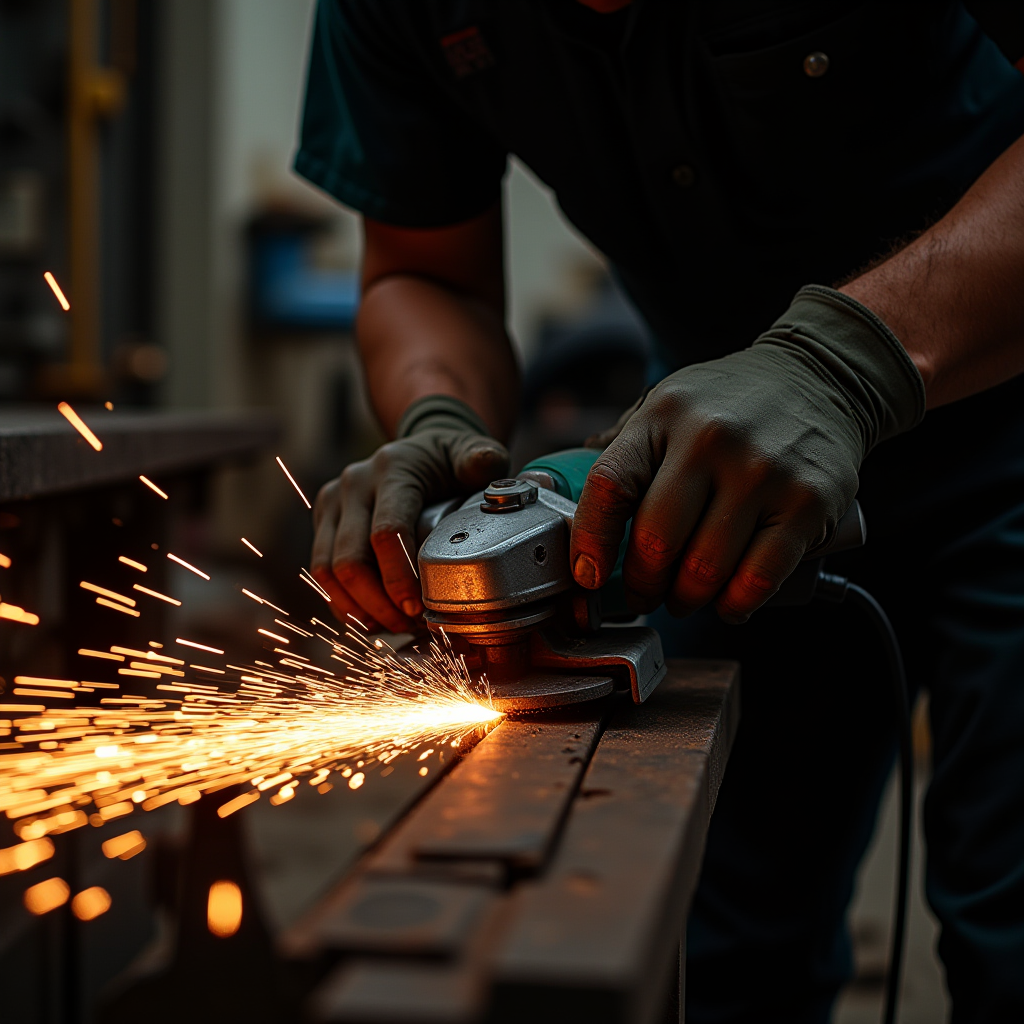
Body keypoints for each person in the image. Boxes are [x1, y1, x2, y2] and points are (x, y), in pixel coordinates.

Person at [295, 2, 1024, 1019]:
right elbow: (423, 269)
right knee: (727, 949)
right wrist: (438, 412)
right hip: (710, 485)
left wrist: (844, 361)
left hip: (1005, 408)